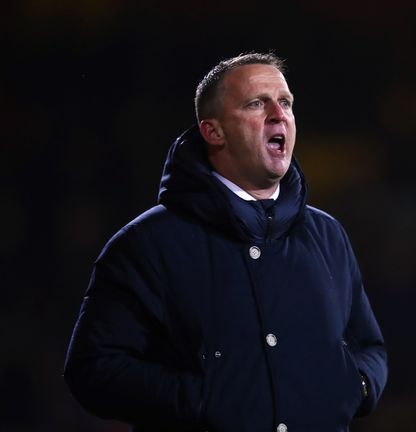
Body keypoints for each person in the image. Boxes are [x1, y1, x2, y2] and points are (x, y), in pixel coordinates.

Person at [63, 52, 387, 432]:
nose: (277, 113)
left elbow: (369, 347)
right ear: (213, 131)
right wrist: (202, 399)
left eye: (285, 103)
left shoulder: (327, 234)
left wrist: (356, 387)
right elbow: (94, 369)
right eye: (256, 103)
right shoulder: (146, 243)